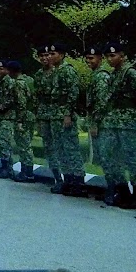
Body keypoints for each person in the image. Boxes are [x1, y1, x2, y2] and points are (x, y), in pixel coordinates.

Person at [97, 42, 136, 209]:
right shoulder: (114, 74)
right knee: (110, 156)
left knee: (131, 158)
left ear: (122, 56)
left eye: (113, 55)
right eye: (107, 57)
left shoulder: (131, 73)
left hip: (128, 122)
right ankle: (123, 192)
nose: (110, 59)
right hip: (113, 122)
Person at [34, 44, 85, 196]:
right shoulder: (54, 72)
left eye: (52, 54)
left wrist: (67, 113)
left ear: (61, 55)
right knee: (59, 148)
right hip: (52, 115)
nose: (49, 57)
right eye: (47, 54)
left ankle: (79, 182)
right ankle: (67, 180)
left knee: (71, 148)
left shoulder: (67, 70)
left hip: (63, 115)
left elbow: (73, 92)